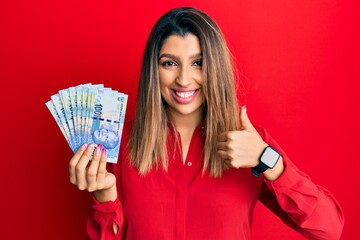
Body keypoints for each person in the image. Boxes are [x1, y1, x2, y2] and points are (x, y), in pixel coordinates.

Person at [69, 7, 344, 240]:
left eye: (198, 62)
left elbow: (329, 228)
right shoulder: (118, 143)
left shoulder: (249, 143)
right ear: (154, 70)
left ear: (216, 67)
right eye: (170, 63)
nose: (184, 79)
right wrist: (105, 196)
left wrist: (267, 160)